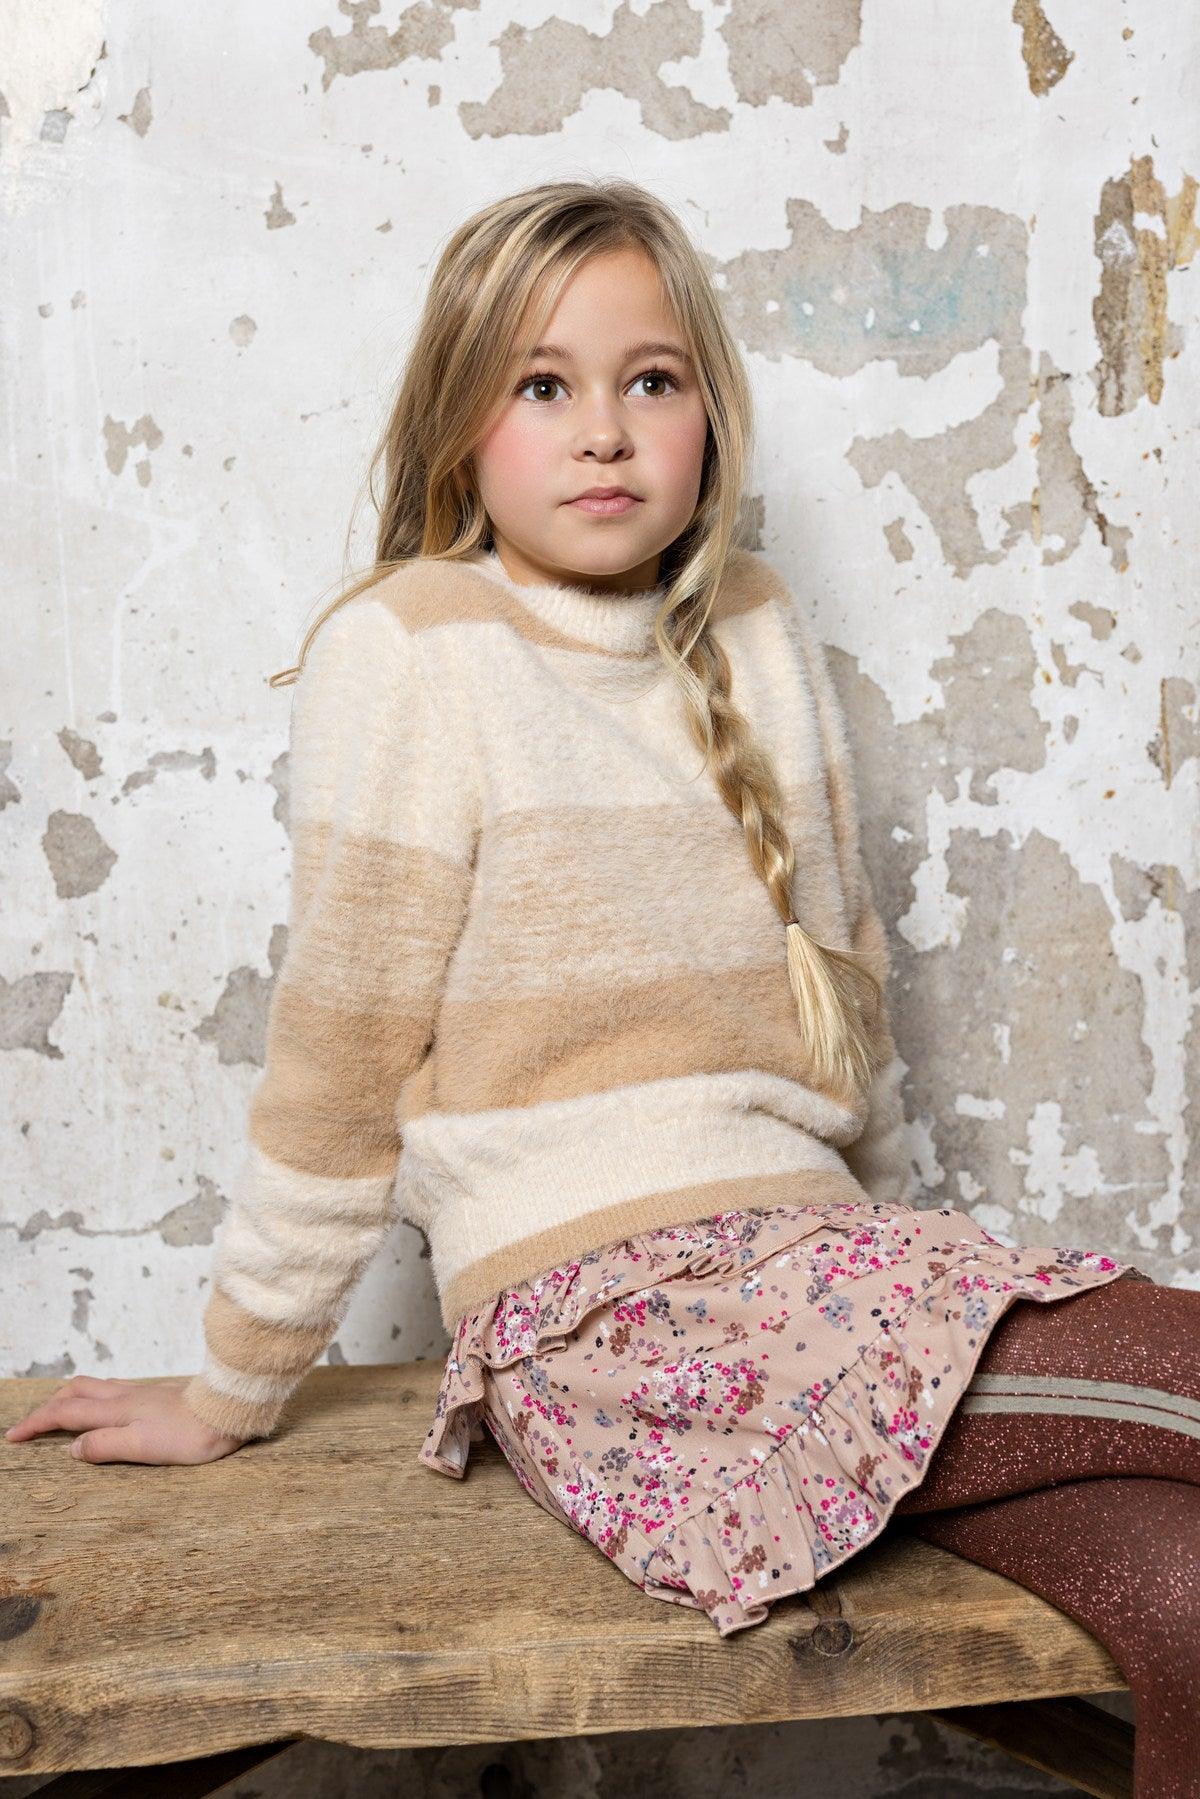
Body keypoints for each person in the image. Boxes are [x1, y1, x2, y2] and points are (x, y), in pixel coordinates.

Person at [7, 178, 1197, 1794]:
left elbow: (843, 991)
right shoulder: (414, 648)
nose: (605, 434)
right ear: (459, 425)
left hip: (825, 1279)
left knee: (1184, 1599)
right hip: (615, 1326)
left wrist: (909, 1270)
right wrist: (232, 1386)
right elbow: (340, 1057)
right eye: (541, 386)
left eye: (651, 380)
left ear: (710, 412)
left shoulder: (755, 626)